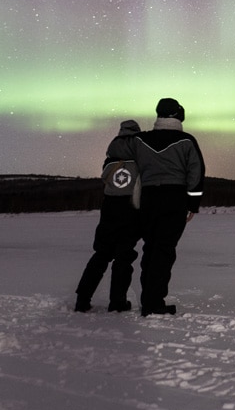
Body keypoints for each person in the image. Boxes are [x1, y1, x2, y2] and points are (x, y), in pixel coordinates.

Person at [129, 98, 205, 316]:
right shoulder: (186, 141)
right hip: (174, 199)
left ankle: (149, 299)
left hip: (148, 199)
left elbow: (132, 168)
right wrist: (193, 204)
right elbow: (196, 172)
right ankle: (154, 303)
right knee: (163, 251)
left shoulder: (139, 140)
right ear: (179, 115)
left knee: (151, 249)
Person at [75, 120, 143, 312]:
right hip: (131, 210)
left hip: (109, 210)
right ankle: (118, 302)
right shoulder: (140, 157)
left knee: (101, 254)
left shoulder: (111, 156)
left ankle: (82, 299)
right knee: (124, 257)